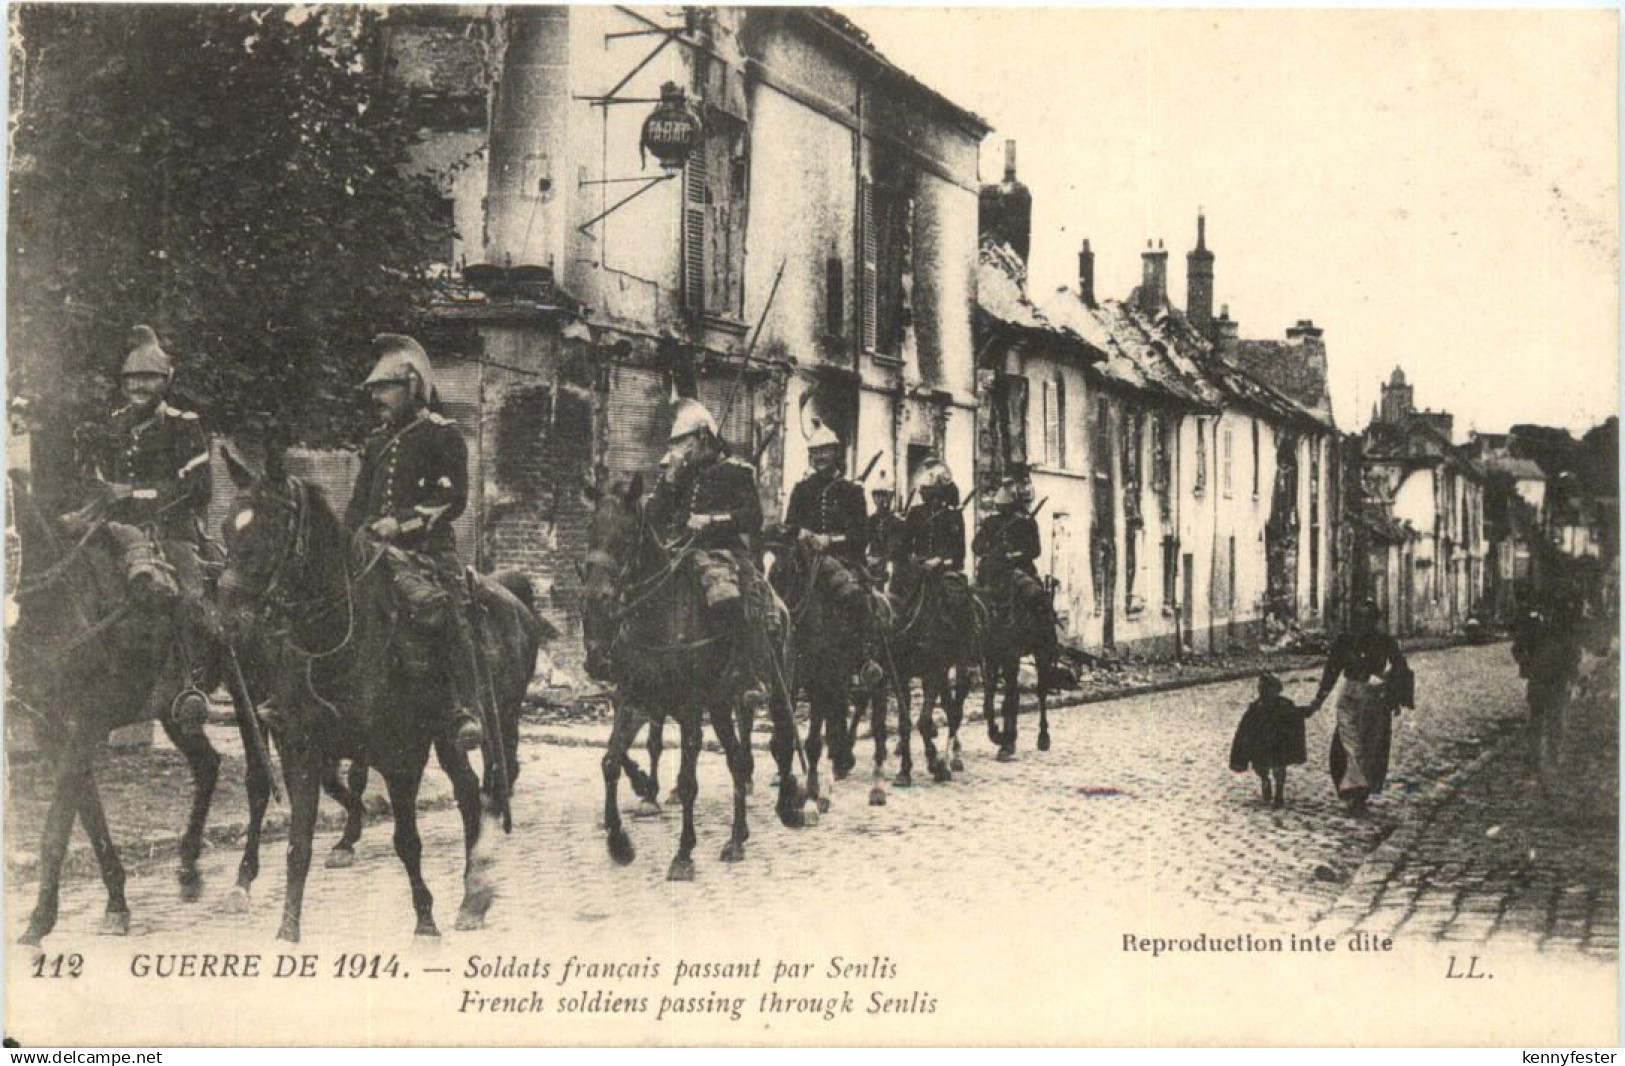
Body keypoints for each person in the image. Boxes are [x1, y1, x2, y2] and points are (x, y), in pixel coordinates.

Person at [343, 333, 484, 751]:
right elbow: (358, 501)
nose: (377, 398)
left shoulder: (443, 435)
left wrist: (401, 526)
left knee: (448, 611)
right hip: (372, 548)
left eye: (385, 389)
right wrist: (349, 535)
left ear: (413, 388)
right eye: (374, 390)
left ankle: (463, 708)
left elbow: (452, 499)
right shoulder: (375, 441)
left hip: (427, 550)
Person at [647, 396, 771, 709]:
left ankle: (746, 673)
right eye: (677, 445)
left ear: (703, 439)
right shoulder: (682, 474)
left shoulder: (736, 471)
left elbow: (753, 518)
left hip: (723, 552)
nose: (681, 451)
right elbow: (655, 517)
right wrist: (668, 483)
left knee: (725, 594)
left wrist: (713, 520)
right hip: (682, 551)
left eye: (685, 443)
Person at [82, 326, 214, 608]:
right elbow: (103, 478)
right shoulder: (115, 423)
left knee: (191, 605)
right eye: (131, 379)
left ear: (166, 381)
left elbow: (198, 490)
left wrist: (134, 493)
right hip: (115, 529)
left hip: (171, 533)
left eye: (148, 378)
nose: (138, 386)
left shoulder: (183, 424)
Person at [783, 420, 883, 686]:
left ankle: (864, 658)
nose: (819, 458)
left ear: (836, 454)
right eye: (814, 453)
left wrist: (831, 539)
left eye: (825, 452)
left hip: (843, 558)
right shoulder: (802, 489)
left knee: (853, 594)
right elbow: (789, 524)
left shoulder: (851, 491)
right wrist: (801, 532)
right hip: (805, 557)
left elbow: (861, 535)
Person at [1309, 598, 1413, 812]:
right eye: (1358, 618)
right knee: (1348, 744)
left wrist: (1393, 693)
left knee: (1370, 747)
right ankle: (1353, 790)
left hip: (1374, 699)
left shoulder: (1385, 641)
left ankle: (1359, 793)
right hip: (1349, 695)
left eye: (1367, 618)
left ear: (1375, 620)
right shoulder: (1344, 642)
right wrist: (1319, 699)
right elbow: (1331, 670)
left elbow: (1401, 667)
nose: (1362, 623)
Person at [972, 468, 1057, 657]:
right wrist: (993, 553)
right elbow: (976, 546)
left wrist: (1016, 555)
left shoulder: (1026, 522)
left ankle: (1045, 641)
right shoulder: (989, 523)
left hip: (1019, 571)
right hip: (992, 573)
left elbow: (1035, 550)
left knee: (1038, 597)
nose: (1002, 510)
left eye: (1005, 507)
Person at [1229, 672, 1315, 808]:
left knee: (1278, 768)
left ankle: (1279, 792)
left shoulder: (1283, 704)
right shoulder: (1256, 707)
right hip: (1262, 745)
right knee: (1262, 767)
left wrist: (1307, 710)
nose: (1263, 691)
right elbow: (1244, 728)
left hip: (1277, 745)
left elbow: (1295, 714)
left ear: (1276, 690)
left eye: (1267, 688)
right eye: (1261, 688)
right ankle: (1266, 781)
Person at [896, 458, 966, 602]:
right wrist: (907, 560)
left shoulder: (952, 515)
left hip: (944, 568)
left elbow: (958, 548)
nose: (925, 494)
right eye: (924, 490)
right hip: (919, 568)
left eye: (930, 491)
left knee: (952, 597)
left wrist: (939, 560)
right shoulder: (916, 513)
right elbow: (905, 543)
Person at [864, 467, 905, 587]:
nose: (880, 500)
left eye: (884, 496)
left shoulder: (897, 522)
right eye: (877, 496)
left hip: (890, 563)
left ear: (889, 498)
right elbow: (865, 541)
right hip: (871, 563)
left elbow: (894, 547)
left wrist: (880, 559)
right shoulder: (871, 520)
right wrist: (867, 557)